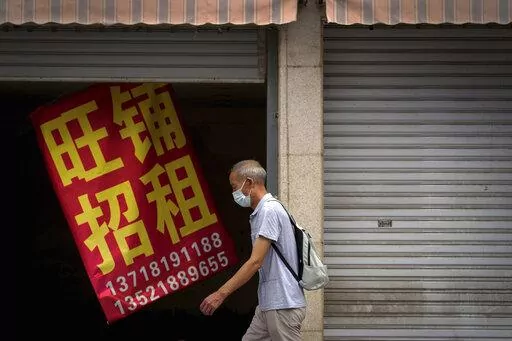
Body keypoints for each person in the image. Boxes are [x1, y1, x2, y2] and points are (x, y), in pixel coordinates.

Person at [199, 160, 306, 340]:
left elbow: (255, 262)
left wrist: (220, 294)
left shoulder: (269, 210)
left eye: (234, 187)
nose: (234, 193)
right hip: (269, 304)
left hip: (282, 304)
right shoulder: (264, 210)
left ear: (249, 183)